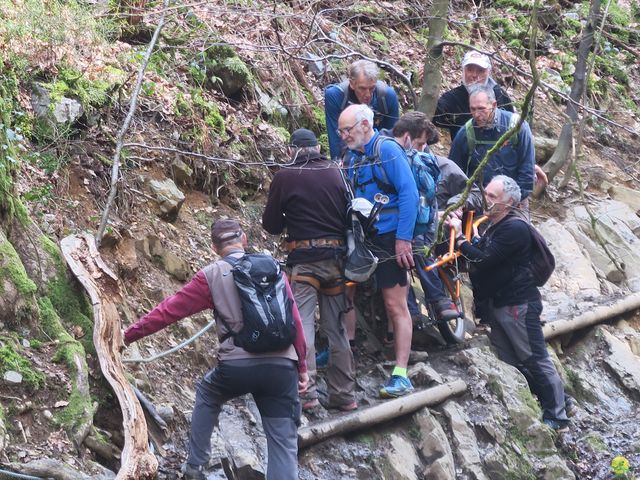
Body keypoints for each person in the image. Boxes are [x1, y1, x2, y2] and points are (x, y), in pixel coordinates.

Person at [123, 218, 308, 480]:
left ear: (213, 247)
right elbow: (295, 320)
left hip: (237, 367)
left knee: (208, 393)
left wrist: (128, 335)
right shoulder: (272, 269)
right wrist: (302, 367)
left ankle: (195, 466)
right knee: (283, 445)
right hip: (282, 367)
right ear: (244, 239)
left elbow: (167, 312)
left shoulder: (211, 275)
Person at [448, 175, 572, 430]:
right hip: (501, 304)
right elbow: (482, 255)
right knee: (514, 360)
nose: (487, 200)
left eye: (493, 197)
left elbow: (483, 260)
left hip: (519, 305)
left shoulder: (514, 228)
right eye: (487, 194)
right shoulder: (494, 226)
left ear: (509, 203)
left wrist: (460, 239)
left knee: (534, 357)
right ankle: (559, 401)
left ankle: (557, 416)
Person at [262, 128, 356, 412]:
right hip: (337, 260)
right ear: (317, 148)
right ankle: (344, 394)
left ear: (291, 151)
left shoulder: (285, 176)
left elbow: (272, 225)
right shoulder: (337, 172)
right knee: (337, 328)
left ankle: (308, 394)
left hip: (303, 261)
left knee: (302, 327)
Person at [340, 104, 417, 398]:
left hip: (390, 237)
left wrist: (404, 239)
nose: (344, 135)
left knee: (395, 303)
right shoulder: (352, 157)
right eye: (341, 131)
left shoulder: (386, 150)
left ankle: (400, 374)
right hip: (364, 236)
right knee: (346, 290)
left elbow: (408, 192)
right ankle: (345, 353)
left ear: (364, 125)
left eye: (348, 130)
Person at [388, 112, 460, 324]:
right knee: (406, 256)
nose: (423, 149)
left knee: (418, 249)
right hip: (403, 224)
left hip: (423, 225)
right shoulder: (388, 153)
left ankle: (438, 302)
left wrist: (454, 208)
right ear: (407, 136)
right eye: (420, 144)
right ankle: (416, 311)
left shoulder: (428, 161)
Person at [448, 84, 535, 204]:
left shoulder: (517, 127)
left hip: (513, 199)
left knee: (518, 223)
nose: (477, 115)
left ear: (494, 105)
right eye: (473, 109)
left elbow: (527, 172)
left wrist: (512, 202)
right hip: (477, 199)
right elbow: (453, 173)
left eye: (481, 109)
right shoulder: (466, 133)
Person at [325, 59, 400, 160]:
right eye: (362, 89)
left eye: (372, 88)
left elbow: (394, 135)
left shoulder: (387, 96)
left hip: (380, 151)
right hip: (349, 153)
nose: (368, 94)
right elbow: (336, 141)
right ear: (352, 83)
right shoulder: (335, 96)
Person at [433, 50, 514, 141]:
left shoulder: (500, 95)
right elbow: (432, 116)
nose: (474, 75)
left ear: (488, 72)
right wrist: (429, 89)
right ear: (463, 71)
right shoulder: (453, 98)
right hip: (464, 152)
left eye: (480, 70)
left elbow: (513, 127)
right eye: (470, 69)